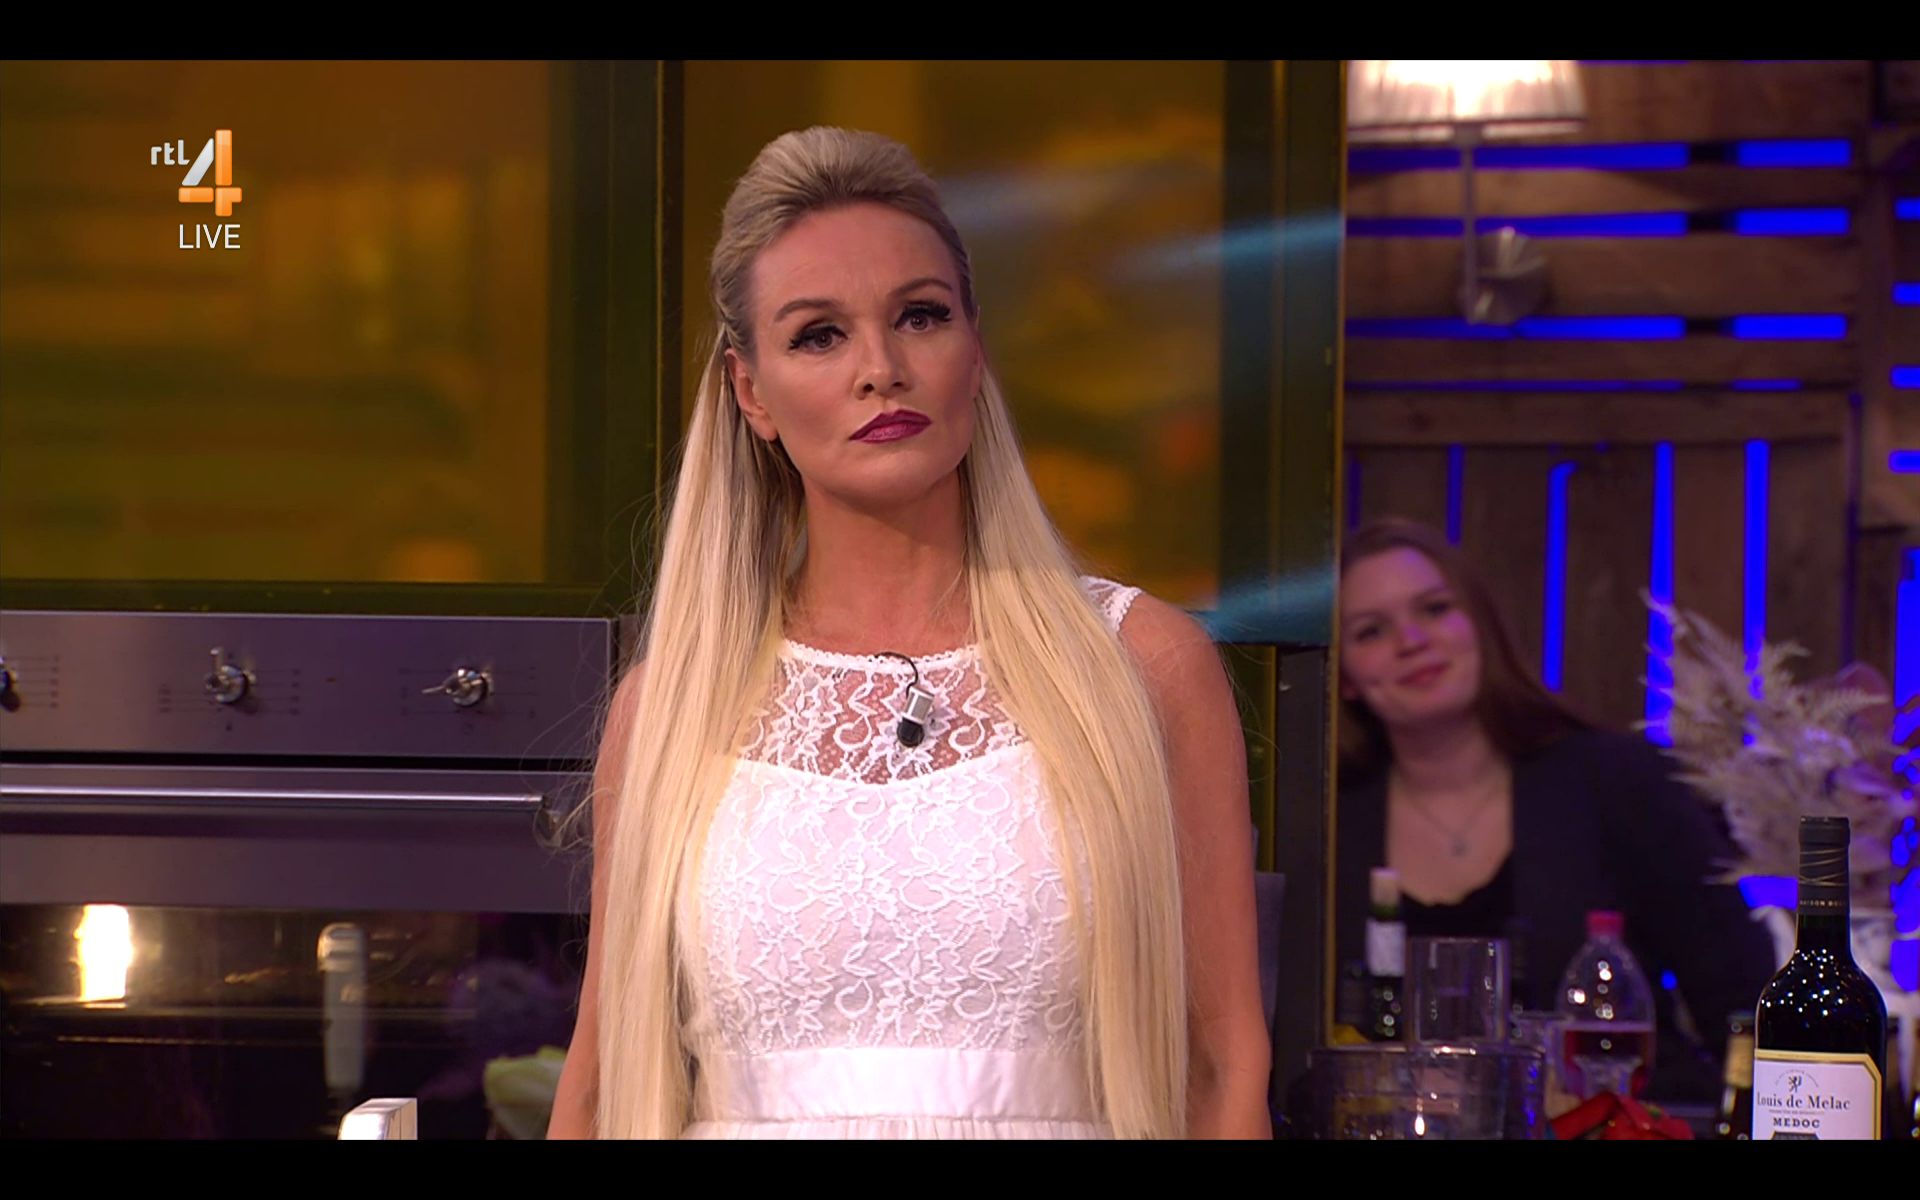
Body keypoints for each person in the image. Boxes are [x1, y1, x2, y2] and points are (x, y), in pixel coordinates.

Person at [546, 127, 1270, 1139]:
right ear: (751, 392)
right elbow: (600, 1080)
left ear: (975, 350)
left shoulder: (1142, 666)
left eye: (919, 316)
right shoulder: (672, 707)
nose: (881, 369)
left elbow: (1224, 1061)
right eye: (819, 335)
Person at [1333, 516, 1777, 1100]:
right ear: (1344, 676)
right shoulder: (1328, 822)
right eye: (1371, 631)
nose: (1411, 640)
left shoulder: (1617, 780)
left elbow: (1745, 1003)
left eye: (1435, 609)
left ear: (1480, 624)